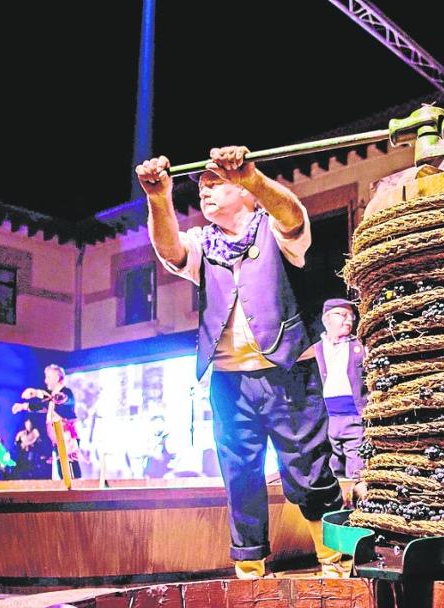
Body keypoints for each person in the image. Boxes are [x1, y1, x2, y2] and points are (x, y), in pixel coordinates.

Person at [135, 146, 344, 579]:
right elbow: (170, 251)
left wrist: (252, 177)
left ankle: (334, 564)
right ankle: (249, 571)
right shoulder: (203, 244)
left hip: (289, 374)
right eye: (203, 187)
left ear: (246, 193)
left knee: (309, 472)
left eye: (216, 184)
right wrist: (159, 198)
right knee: (240, 476)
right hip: (229, 382)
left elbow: (293, 215)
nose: (206, 193)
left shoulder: (275, 227)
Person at [309, 299, 368, 479]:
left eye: (351, 316)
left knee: (357, 471)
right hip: (326, 421)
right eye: (342, 315)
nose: (348, 320)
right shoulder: (315, 349)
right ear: (326, 320)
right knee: (332, 471)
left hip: (354, 418)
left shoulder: (360, 347)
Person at [13, 364, 81, 479]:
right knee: (62, 470)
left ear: (56, 377)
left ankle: (78, 494)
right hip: (57, 437)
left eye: (48, 377)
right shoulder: (53, 397)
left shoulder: (65, 393)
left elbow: (60, 400)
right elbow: (45, 405)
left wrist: (37, 393)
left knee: (69, 469)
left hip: (66, 436)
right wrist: (24, 406)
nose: (45, 381)